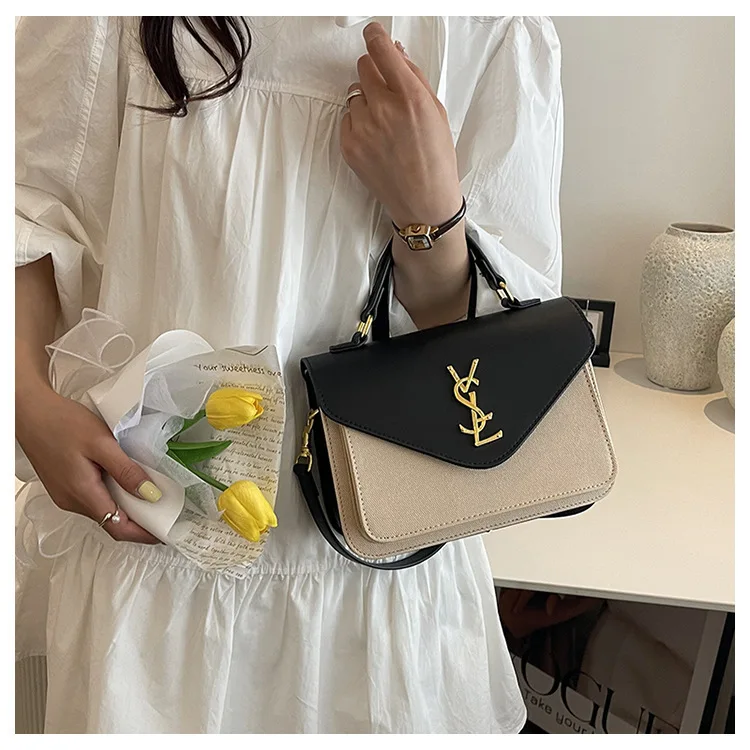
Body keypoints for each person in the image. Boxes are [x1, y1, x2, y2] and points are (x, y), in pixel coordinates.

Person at [15, 16, 564, 733]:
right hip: (153, 560)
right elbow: (29, 215)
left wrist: (430, 213)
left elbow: (511, 352)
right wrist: (25, 403)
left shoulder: (487, 27)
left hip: (387, 576)